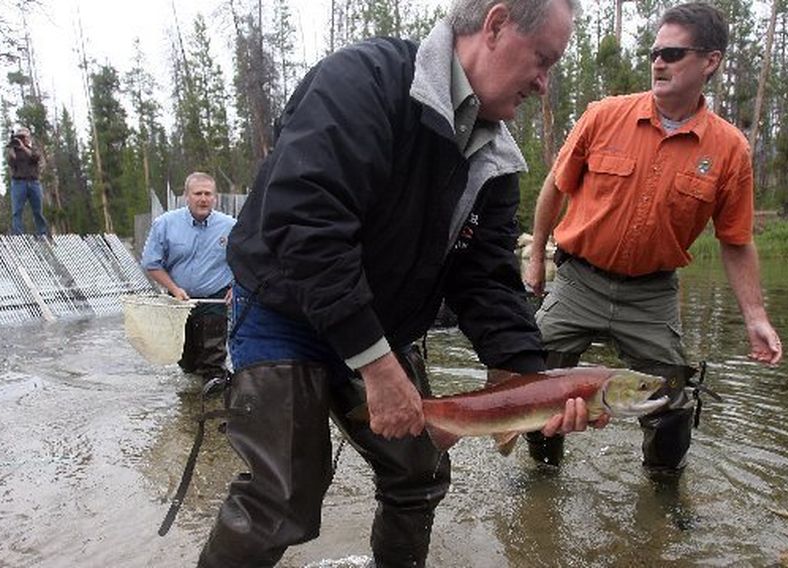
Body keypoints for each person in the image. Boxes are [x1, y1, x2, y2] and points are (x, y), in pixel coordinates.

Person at [197, 1, 603, 566]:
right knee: (282, 495)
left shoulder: (495, 158)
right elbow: (305, 225)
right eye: (543, 60)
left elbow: (485, 278)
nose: (543, 82)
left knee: (419, 473)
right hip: (284, 313)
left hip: (384, 325)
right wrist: (377, 366)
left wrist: (534, 385)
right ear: (496, 24)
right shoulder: (364, 82)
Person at [524, 2, 783, 474]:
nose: (658, 62)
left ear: (710, 61)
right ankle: (543, 474)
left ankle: (664, 493)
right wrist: (537, 255)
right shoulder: (603, 116)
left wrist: (756, 316)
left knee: (673, 401)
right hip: (578, 281)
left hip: (652, 294)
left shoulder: (729, 150)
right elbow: (555, 187)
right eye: (654, 51)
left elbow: (736, 240)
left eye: (672, 52)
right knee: (533, 379)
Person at [140, 172, 235, 380]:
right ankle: (190, 404)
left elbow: (246, 261)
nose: (203, 199)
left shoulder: (230, 226)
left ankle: (215, 401)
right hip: (179, 300)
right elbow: (151, 263)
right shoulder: (165, 224)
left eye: (208, 194)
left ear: (215, 197)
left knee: (213, 356)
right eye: (198, 193)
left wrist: (235, 287)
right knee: (187, 361)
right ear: (186, 196)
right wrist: (174, 289)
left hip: (214, 298)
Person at [6, 126, 49, 236]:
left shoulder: (33, 148)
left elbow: (36, 157)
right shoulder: (15, 149)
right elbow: (11, 162)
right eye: (19, 135)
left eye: (23, 136)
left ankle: (42, 234)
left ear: (28, 136)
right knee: (17, 211)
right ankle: (18, 235)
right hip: (18, 183)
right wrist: (11, 148)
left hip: (34, 182)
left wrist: (24, 147)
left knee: (38, 211)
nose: (21, 138)